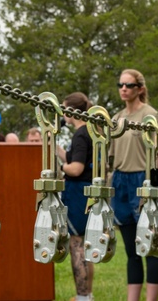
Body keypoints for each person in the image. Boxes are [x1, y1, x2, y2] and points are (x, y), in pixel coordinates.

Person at [108, 69, 158, 301]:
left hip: (144, 180)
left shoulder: (149, 115)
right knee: (131, 250)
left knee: (150, 248)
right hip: (121, 181)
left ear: (140, 88)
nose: (123, 89)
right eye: (120, 85)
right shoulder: (116, 118)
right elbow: (111, 157)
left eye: (129, 85)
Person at [57, 92, 94, 301]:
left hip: (77, 192)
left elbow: (76, 168)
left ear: (71, 111)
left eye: (64, 109)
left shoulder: (80, 135)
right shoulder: (90, 131)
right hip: (87, 190)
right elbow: (75, 159)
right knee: (85, 245)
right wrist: (56, 148)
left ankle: (82, 297)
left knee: (77, 244)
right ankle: (88, 294)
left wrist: (60, 167)